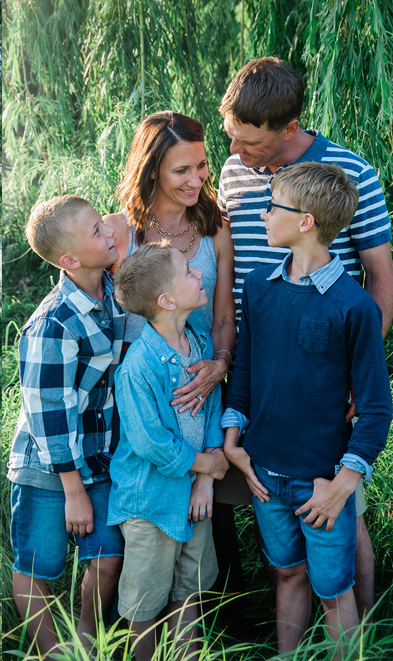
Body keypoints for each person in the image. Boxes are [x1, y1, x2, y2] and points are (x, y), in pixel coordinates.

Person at [217, 56, 393, 613]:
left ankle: (359, 632)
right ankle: (263, 620)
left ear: (289, 129)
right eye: (231, 138)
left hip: (321, 371)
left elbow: (381, 278)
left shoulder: (349, 172)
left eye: (249, 143)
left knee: (342, 515)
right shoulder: (232, 172)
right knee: (269, 508)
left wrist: (352, 374)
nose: (236, 155)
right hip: (256, 369)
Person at [103, 111, 243, 593]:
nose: (197, 179)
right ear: (152, 169)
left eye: (202, 166)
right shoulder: (120, 232)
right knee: (148, 532)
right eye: (181, 170)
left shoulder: (215, 227)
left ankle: (206, 631)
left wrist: (218, 366)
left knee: (207, 547)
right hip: (144, 395)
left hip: (202, 391)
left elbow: (224, 315)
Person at [7, 195, 126, 658]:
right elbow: (47, 411)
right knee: (39, 565)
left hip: (99, 457)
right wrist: (72, 488)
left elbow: (120, 221)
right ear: (70, 260)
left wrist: (101, 227)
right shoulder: (53, 322)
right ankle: (56, 654)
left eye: (102, 224)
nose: (109, 233)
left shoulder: (111, 288)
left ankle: (88, 642)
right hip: (49, 466)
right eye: (96, 232)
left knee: (107, 557)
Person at [109, 242, 229, 661]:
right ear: (167, 300)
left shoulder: (198, 343)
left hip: (193, 499)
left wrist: (205, 480)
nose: (200, 275)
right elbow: (149, 442)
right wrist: (207, 464)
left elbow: (212, 406)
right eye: (189, 272)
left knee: (189, 592)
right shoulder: (139, 366)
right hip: (150, 502)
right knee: (145, 604)